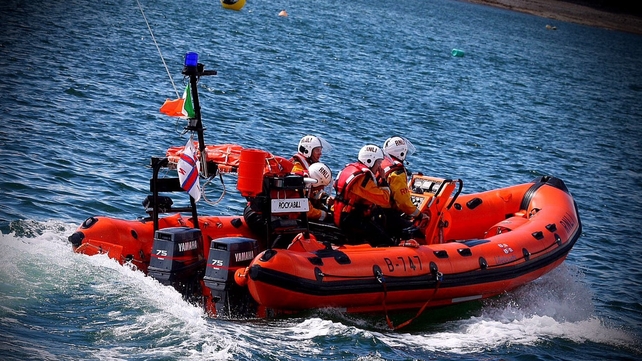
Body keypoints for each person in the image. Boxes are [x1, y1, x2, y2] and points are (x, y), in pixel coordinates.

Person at [333, 145, 394, 246]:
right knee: (386, 240)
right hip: (350, 219)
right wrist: (383, 180)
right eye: (379, 163)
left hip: (343, 214)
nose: (380, 167)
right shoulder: (363, 179)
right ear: (370, 161)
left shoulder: (352, 169)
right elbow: (384, 200)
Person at [380, 136, 429, 239]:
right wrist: (419, 215)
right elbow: (403, 203)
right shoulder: (397, 173)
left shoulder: (380, 163)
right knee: (416, 233)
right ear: (401, 153)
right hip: (386, 214)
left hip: (375, 210)